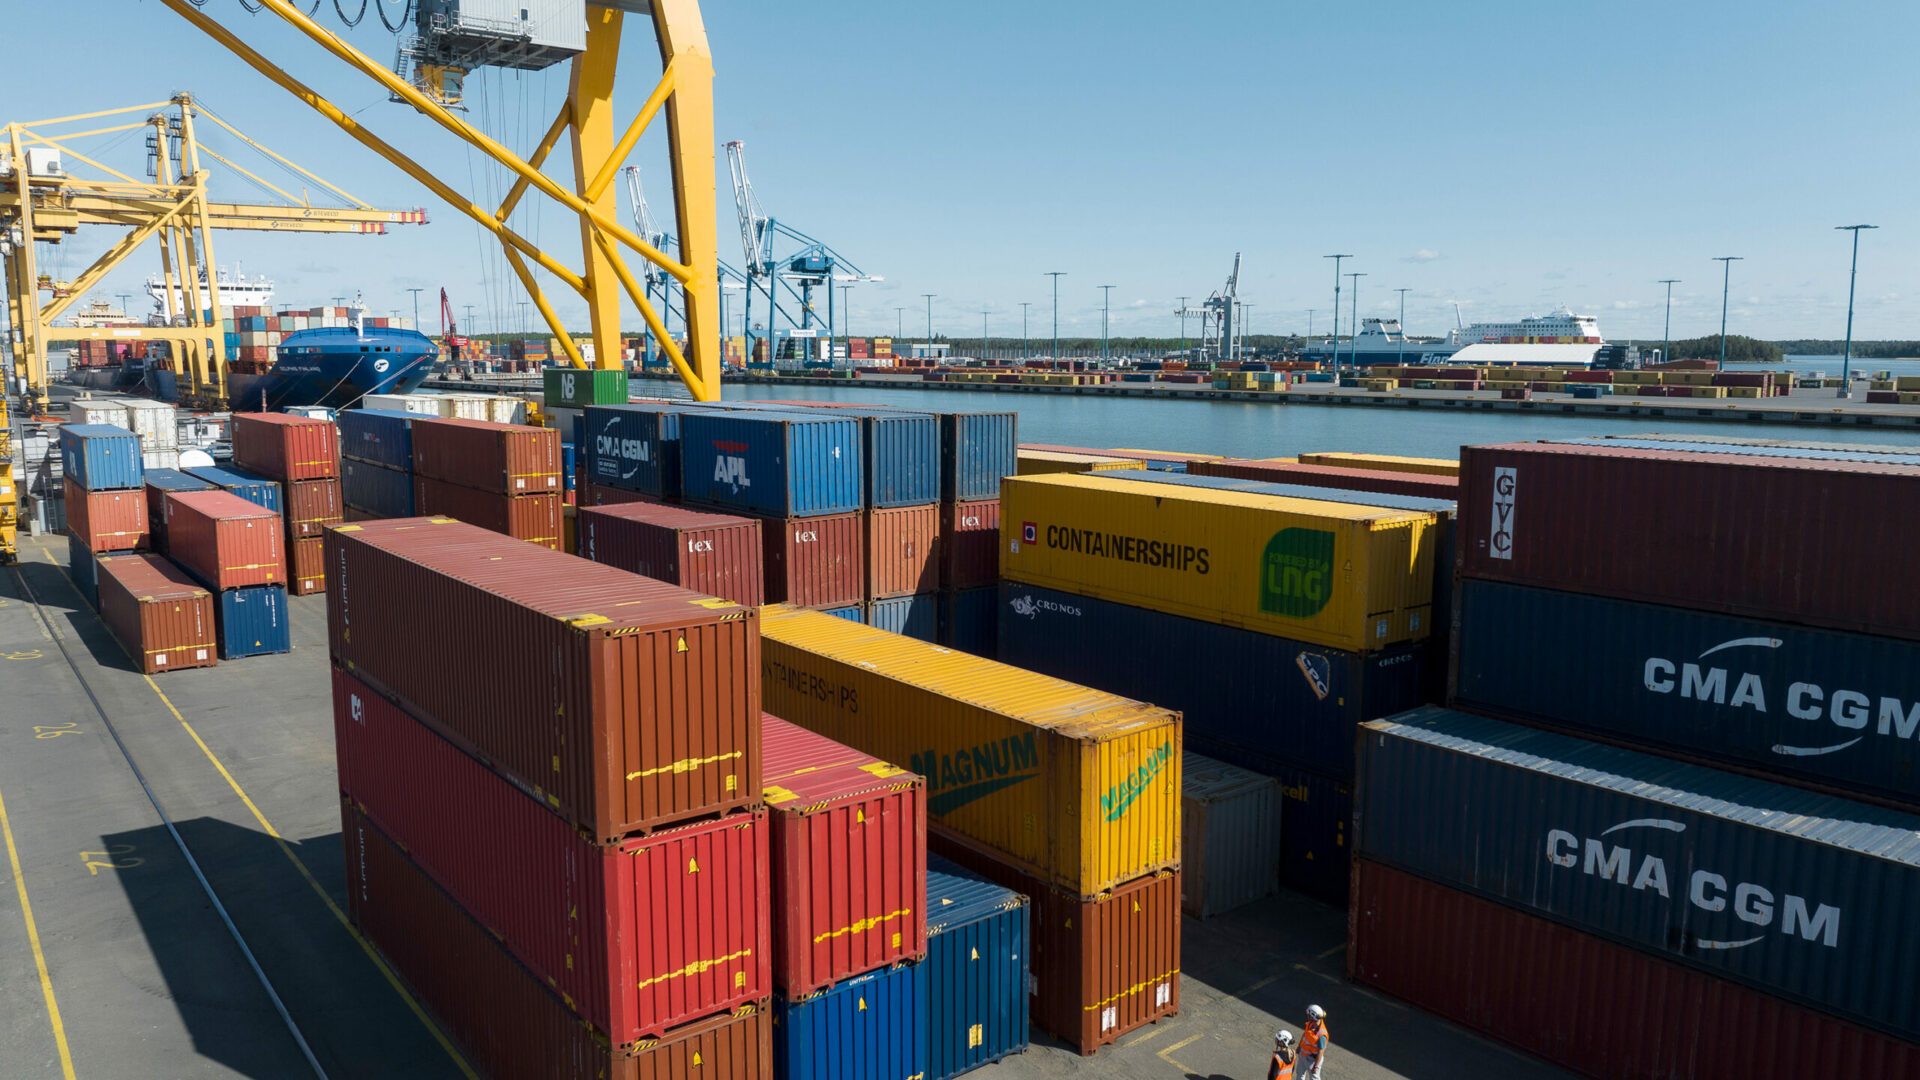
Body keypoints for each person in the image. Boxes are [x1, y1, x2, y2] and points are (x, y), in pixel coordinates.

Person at [1299, 1004, 1329, 1080]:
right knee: (1300, 1075)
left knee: (1314, 1078)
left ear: (1313, 1016)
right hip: (1303, 1055)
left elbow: (1321, 1052)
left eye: (1309, 1015)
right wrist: (1299, 1047)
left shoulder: (1321, 1035)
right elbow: (1305, 1034)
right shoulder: (1310, 1024)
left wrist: (1315, 1066)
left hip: (1313, 1060)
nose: (1307, 1016)